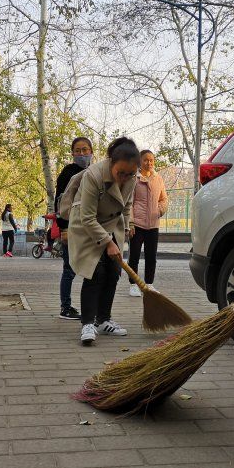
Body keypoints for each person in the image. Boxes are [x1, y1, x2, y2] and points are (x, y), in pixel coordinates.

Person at [67, 137, 139, 346]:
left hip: (113, 226)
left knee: (113, 272)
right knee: (95, 272)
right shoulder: (94, 175)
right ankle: (88, 323)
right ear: (111, 163)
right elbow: (87, 217)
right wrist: (108, 243)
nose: (125, 178)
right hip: (86, 226)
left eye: (130, 174)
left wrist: (126, 228)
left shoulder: (132, 176)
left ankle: (104, 320)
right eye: (120, 173)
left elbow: (126, 205)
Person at [54, 137, 93, 320]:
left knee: (93, 268)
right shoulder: (68, 173)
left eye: (85, 150)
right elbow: (60, 202)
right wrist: (63, 228)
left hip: (90, 228)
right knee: (69, 269)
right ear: (72, 153)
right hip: (71, 228)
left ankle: (92, 307)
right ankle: (65, 307)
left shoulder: (95, 172)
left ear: (91, 151)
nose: (82, 154)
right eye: (78, 150)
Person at [127, 149, 168, 297]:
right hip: (137, 225)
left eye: (151, 160)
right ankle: (133, 284)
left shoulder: (158, 179)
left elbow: (164, 199)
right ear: (140, 161)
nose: (149, 162)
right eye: (146, 160)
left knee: (151, 257)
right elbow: (129, 203)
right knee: (134, 256)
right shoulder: (133, 179)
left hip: (153, 225)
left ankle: (149, 284)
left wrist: (159, 210)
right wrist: (130, 223)